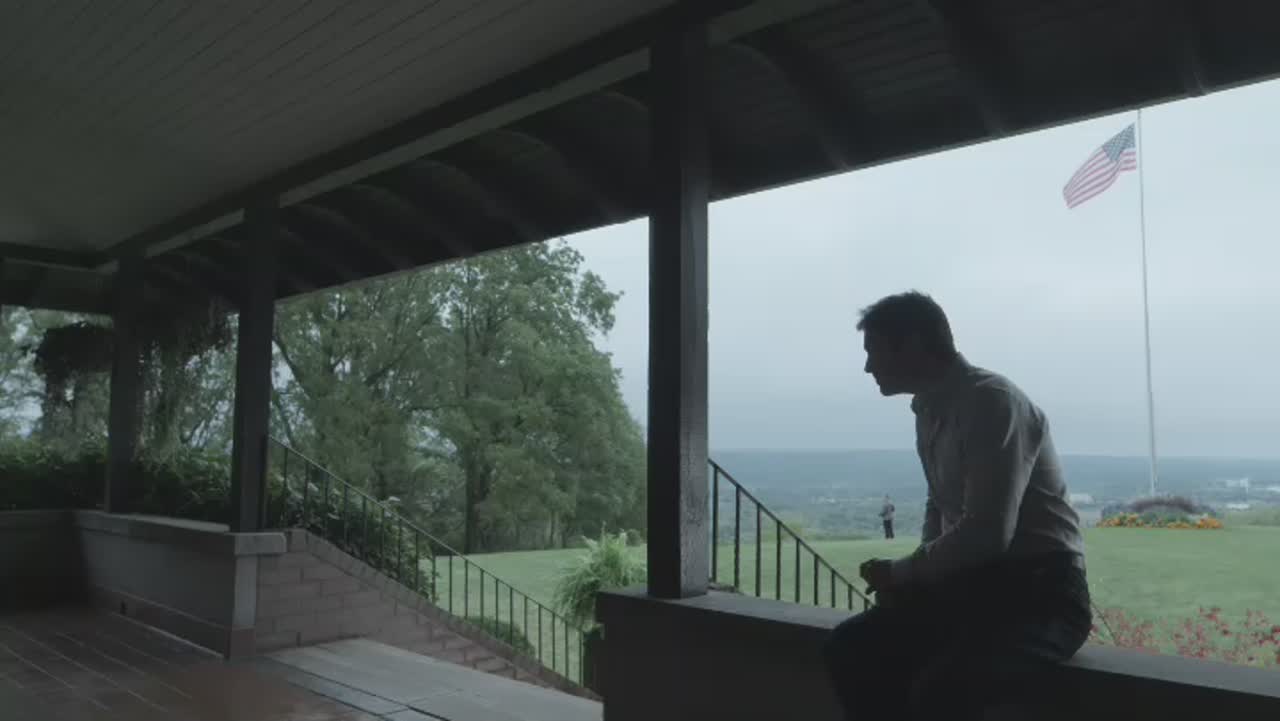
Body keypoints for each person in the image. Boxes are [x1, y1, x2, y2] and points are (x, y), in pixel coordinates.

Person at [824, 291, 1091, 721]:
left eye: (874, 351)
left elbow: (987, 532)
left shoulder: (992, 402)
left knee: (945, 689)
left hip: (1043, 595)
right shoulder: (930, 408)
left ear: (913, 345)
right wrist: (919, 576)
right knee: (851, 647)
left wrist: (903, 572)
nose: (868, 367)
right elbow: (941, 504)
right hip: (977, 586)